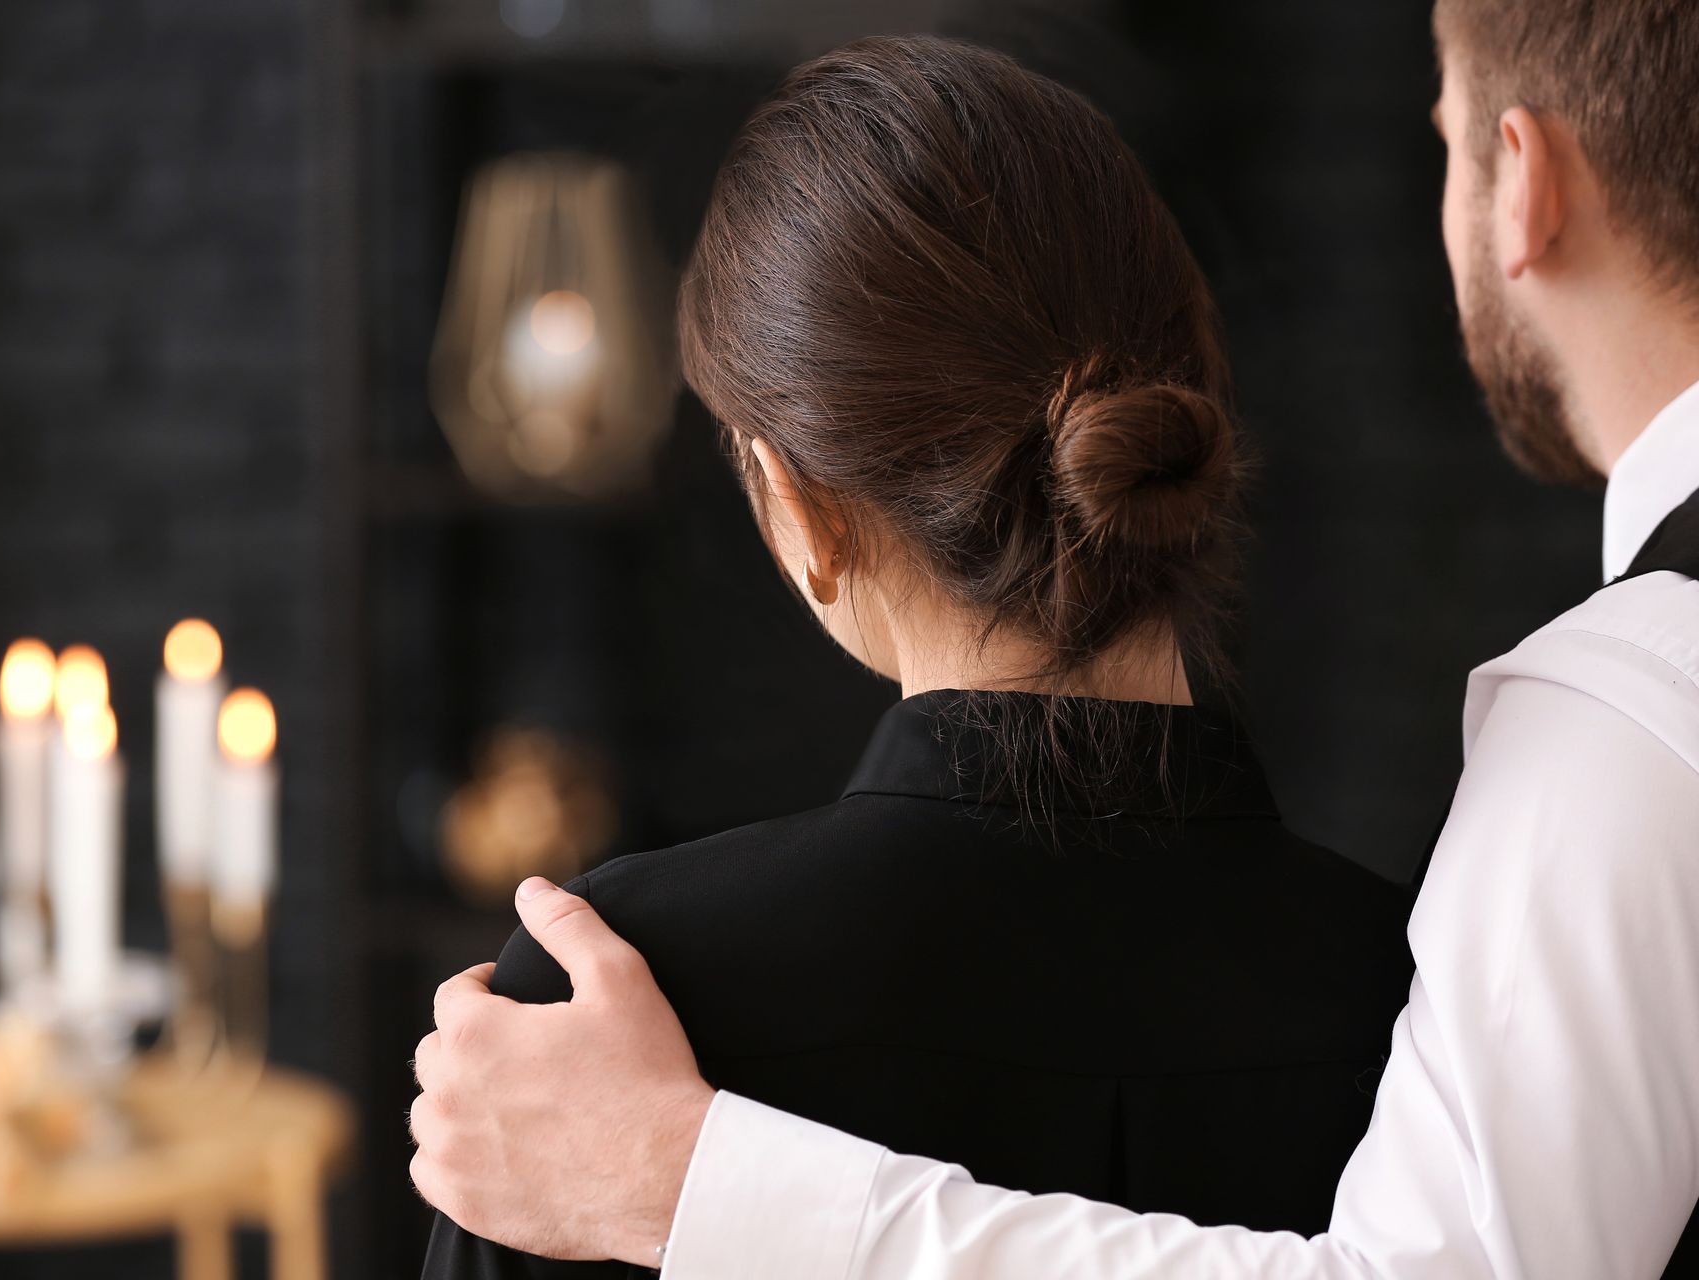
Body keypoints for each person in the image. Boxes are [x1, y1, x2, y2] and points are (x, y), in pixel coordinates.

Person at [408, 0, 1699, 1276]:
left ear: (798, 509)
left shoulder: (595, 1029)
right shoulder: (1416, 995)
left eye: (1451, 142)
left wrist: (685, 1184)